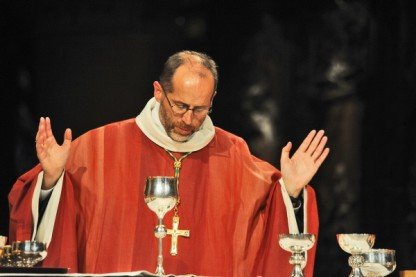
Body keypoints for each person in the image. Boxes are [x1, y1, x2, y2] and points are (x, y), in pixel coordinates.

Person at [8, 50, 329, 276]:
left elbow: (272, 219)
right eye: (180, 105)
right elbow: (40, 217)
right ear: (158, 91)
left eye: (200, 109)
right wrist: (51, 179)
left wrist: (292, 191)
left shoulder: (233, 153)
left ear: (213, 99)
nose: (189, 119)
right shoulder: (97, 147)